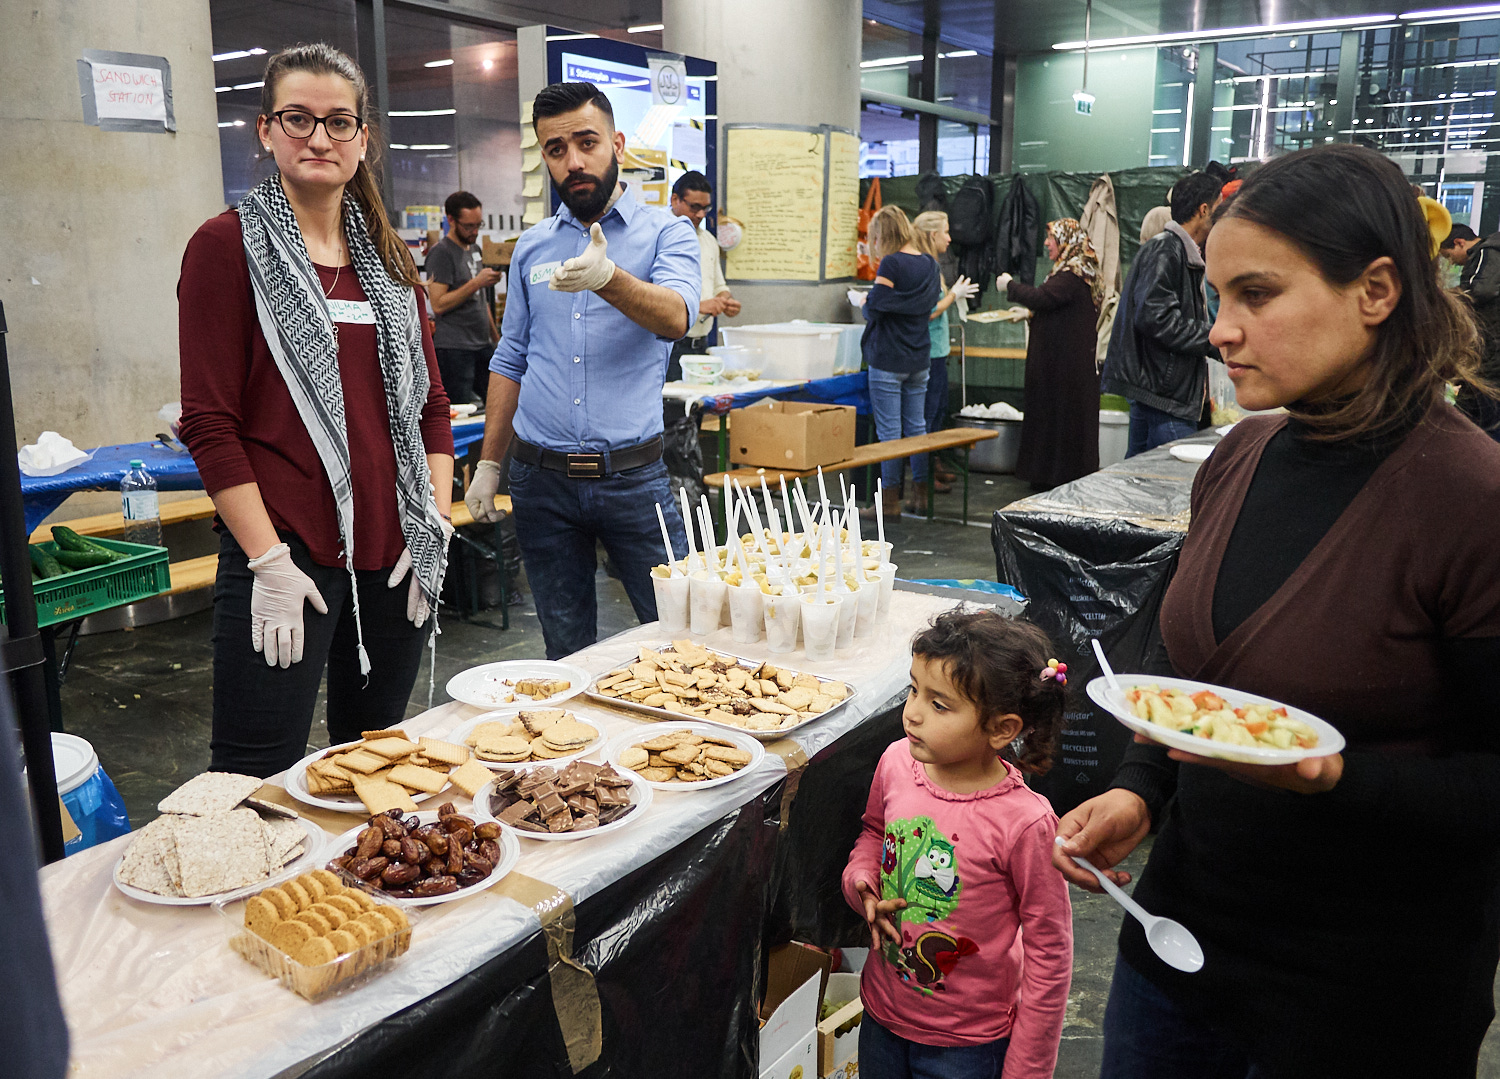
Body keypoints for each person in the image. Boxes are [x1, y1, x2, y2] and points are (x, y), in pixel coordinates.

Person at [1053, 143, 1500, 1077]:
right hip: (1180, 943)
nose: (1221, 331)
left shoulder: (1469, 499)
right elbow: (1189, 668)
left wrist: (1337, 778)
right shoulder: (1240, 455)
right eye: (1217, 296)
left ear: (1375, 291)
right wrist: (1140, 786)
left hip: (1364, 992)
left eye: (1257, 295)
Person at [178, 44, 454, 776]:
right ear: (266, 131)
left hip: (395, 553)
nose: (319, 138)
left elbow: (431, 406)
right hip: (285, 555)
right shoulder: (226, 247)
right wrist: (266, 561)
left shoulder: (390, 259)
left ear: (363, 139)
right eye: (297, 118)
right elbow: (209, 424)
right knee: (252, 776)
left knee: (373, 766)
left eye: (338, 122)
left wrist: (435, 521)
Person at [461, 82, 697, 659]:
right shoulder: (532, 248)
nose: (573, 161)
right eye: (556, 149)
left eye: (587, 143)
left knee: (683, 641)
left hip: (632, 480)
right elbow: (511, 357)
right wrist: (489, 463)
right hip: (541, 482)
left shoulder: (667, 232)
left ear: (617, 144)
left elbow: (676, 317)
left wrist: (607, 278)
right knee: (565, 652)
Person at [843, 608, 1072, 1079]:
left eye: (940, 705)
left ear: (1001, 729)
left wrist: (1027, 1069)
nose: (913, 712)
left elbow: (1050, 953)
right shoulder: (896, 763)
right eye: (913, 690)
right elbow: (873, 833)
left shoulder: (1026, 824)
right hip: (882, 1018)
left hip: (969, 1048)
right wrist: (862, 883)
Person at [1101, 169, 1222, 457]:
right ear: (1204, 210)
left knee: (1140, 476)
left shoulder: (1179, 251)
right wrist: (1214, 339)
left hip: (1159, 392)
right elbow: (1156, 318)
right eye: (1220, 207)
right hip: (1166, 396)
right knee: (1167, 477)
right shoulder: (1167, 250)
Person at [996, 218, 1104, 488]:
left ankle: (1056, 477)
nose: (1046, 244)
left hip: (1066, 367)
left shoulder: (1074, 272)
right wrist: (1029, 314)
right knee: (1054, 419)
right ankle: (1049, 475)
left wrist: (1010, 286)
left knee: (1062, 421)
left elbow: (1044, 297)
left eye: (1051, 239)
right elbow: (1059, 308)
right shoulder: (1070, 270)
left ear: (1067, 241)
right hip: (1061, 365)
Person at [856, 206, 943, 518]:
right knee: (918, 429)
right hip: (919, 356)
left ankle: (889, 502)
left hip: (888, 358)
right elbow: (928, 303)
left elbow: (875, 307)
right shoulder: (930, 264)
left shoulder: (891, 263)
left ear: (883, 235)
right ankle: (921, 496)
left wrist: (866, 302)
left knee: (890, 434)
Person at [909, 211, 977, 493]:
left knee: (937, 412)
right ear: (932, 235)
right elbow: (928, 311)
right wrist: (952, 296)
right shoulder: (923, 266)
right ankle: (922, 477)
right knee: (927, 414)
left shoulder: (931, 265)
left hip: (937, 350)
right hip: (928, 352)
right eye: (945, 232)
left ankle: (932, 464)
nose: (949, 239)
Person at [426, 190, 501, 406]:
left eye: (478, 225)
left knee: (496, 403)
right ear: (451, 220)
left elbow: (482, 300)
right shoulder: (441, 253)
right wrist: (476, 282)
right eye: (468, 226)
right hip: (455, 349)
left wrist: (495, 339)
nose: (474, 231)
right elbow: (438, 304)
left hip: (481, 344)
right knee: (459, 409)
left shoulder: (475, 249)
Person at [666, 170, 740, 381]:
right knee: (670, 402)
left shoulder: (708, 240)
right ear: (675, 200)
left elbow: (719, 286)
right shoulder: (657, 235)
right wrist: (698, 306)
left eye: (705, 208)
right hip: (667, 347)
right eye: (694, 207)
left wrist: (725, 301)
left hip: (700, 345)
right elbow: (650, 294)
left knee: (699, 401)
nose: (700, 215)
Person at [1440, 222, 1500, 437]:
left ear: (1459, 243)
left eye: (1448, 256)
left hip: (1491, 349)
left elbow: (1481, 290)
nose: (1450, 262)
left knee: (1480, 411)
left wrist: (1449, 298)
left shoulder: (1486, 251)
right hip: (1489, 348)